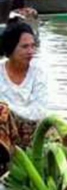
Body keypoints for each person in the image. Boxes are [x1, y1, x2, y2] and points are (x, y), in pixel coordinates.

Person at [0, 20, 47, 166]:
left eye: (33, 46)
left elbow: (40, 110)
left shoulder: (38, 73)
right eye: (25, 46)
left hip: (32, 129)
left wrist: (11, 112)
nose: (30, 51)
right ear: (11, 48)